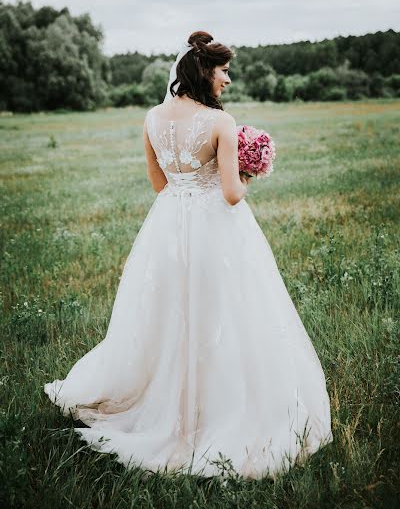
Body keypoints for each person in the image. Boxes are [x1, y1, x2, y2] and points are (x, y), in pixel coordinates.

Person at [44, 30, 333, 480]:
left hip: (166, 228)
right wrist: (249, 171)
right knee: (223, 314)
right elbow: (232, 195)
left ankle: (157, 403)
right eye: (224, 71)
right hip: (216, 229)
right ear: (205, 72)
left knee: (166, 314)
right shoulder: (221, 123)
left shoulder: (151, 118)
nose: (228, 80)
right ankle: (218, 412)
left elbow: (159, 184)